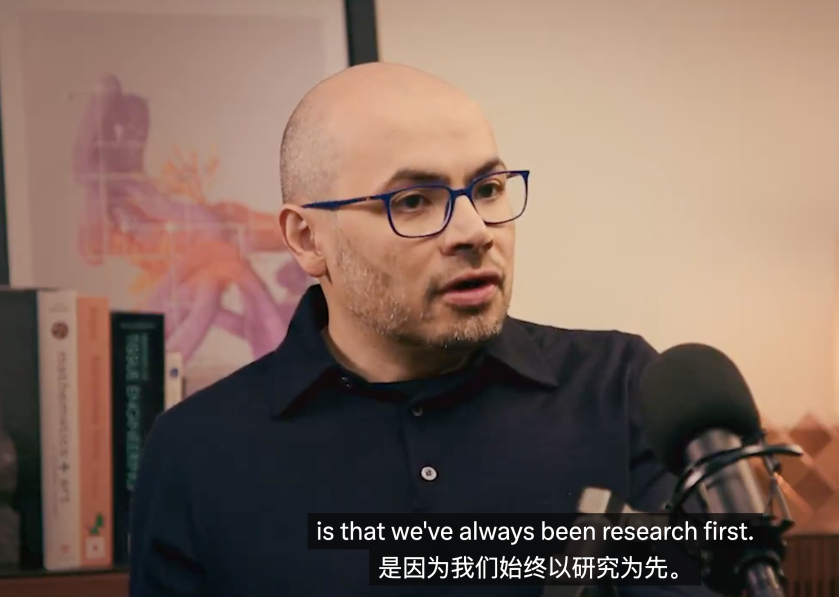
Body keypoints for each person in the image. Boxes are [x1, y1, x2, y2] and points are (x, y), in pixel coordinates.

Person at [128, 62, 712, 597]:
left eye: (488, 189)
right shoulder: (196, 452)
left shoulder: (623, 389)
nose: (474, 231)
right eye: (412, 201)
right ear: (308, 239)